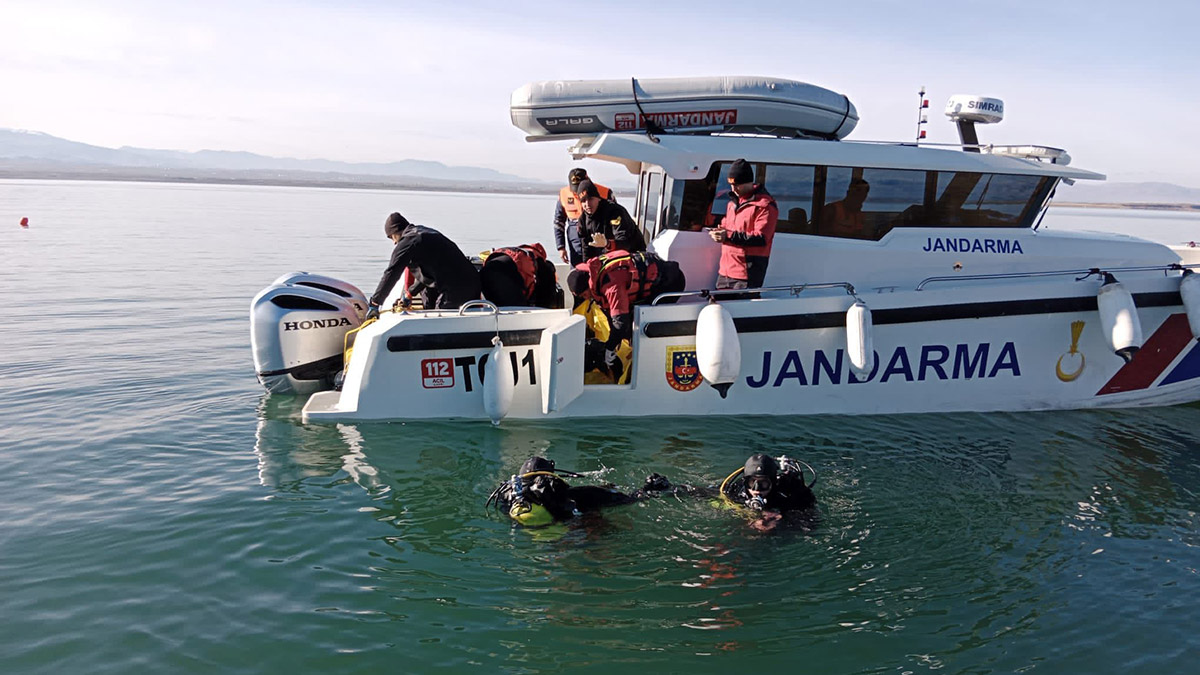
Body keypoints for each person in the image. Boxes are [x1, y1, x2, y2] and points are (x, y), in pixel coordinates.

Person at [566, 250, 686, 379]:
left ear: (588, 286)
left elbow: (620, 322)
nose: (586, 298)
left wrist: (610, 348)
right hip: (649, 279)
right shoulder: (595, 271)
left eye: (585, 295)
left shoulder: (611, 286)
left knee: (644, 322)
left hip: (670, 284)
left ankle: (651, 366)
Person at [486, 456, 672, 527]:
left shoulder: (509, 495)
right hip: (577, 536)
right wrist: (650, 488)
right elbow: (627, 500)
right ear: (552, 476)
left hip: (538, 540)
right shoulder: (573, 494)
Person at [365, 212, 481, 318]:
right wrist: (409, 294)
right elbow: (429, 275)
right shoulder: (424, 234)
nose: (394, 243)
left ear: (396, 231)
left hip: (455, 288)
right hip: (473, 282)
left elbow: (392, 272)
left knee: (438, 324)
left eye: (392, 237)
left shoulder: (408, 241)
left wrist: (375, 302)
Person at [708, 159, 778, 290]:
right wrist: (718, 232)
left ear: (749, 182)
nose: (733, 189)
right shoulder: (732, 204)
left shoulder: (765, 206)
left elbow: (761, 238)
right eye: (731, 184)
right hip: (725, 271)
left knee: (742, 302)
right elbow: (726, 227)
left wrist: (727, 235)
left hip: (747, 274)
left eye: (737, 185)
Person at [553, 168, 615, 265]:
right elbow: (558, 221)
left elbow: (615, 219)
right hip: (576, 240)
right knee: (578, 269)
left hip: (599, 236)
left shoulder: (605, 192)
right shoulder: (564, 194)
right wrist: (561, 247)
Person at [723, 453, 816, 515]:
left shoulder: (788, 493)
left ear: (773, 482)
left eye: (763, 483)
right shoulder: (737, 490)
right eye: (751, 482)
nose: (756, 489)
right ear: (745, 481)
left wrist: (781, 519)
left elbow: (811, 518)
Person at [575, 178, 645, 261]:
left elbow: (625, 242)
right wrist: (588, 265)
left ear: (598, 198)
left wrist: (607, 244)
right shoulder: (583, 220)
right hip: (607, 257)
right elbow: (586, 249)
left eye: (590, 199)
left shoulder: (615, 212)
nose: (587, 204)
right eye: (583, 201)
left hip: (632, 256)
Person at [480, 243, 562, 308]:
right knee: (518, 312)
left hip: (484, 273)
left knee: (498, 309)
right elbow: (545, 301)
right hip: (502, 277)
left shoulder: (524, 253)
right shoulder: (544, 267)